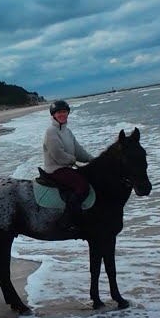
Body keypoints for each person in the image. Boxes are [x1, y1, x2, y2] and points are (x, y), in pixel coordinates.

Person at [42, 100, 94, 233]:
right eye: (59, 112)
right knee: (82, 186)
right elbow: (58, 155)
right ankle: (69, 220)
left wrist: (93, 160)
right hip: (55, 170)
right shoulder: (51, 132)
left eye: (64, 112)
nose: (62, 114)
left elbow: (78, 150)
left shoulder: (67, 131)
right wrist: (73, 159)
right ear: (53, 115)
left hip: (66, 167)